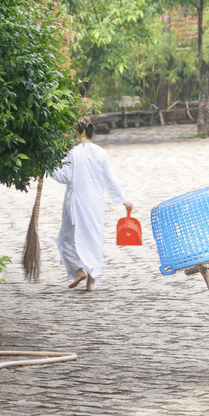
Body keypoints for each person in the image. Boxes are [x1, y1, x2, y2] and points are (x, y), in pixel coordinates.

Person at [49, 120, 132, 292]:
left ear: (76, 132)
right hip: (94, 204)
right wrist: (123, 200)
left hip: (75, 203)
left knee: (66, 240)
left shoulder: (72, 153)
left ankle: (79, 270)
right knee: (93, 240)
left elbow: (64, 177)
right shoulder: (100, 152)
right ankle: (91, 282)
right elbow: (111, 179)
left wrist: (49, 164)